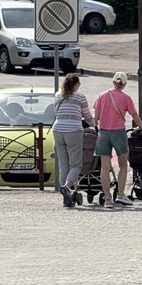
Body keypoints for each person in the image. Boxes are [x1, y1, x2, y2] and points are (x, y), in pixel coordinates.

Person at [91, 72, 142, 208]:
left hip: (103, 133)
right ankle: (120, 194)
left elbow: (95, 118)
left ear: (113, 82)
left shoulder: (102, 96)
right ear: (124, 84)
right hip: (118, 132)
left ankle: (107, 199)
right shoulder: (126, 98)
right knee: (123, 164)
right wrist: (140, 126)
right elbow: (134, 115)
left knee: (105, 167)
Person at [52, 72, 94, 209]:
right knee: (76, 164)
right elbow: (87, 115)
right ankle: (67, 187)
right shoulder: (80, 97)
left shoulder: (58, 95)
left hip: (57, 130)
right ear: (75, 85)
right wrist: (93, 124)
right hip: (73, 131)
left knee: (63, 164)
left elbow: (56, 113)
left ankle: (66, 197)